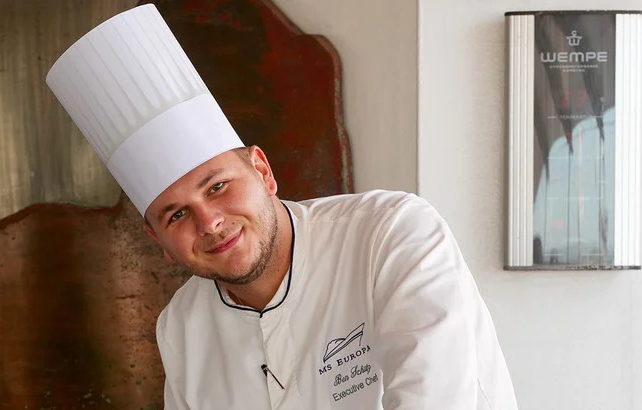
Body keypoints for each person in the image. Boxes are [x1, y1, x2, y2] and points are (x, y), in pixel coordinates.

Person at [46, 4, 518, 409]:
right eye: (176, 215)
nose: (210, 222)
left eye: (217, 186)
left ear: (262, 170)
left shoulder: (391, 233)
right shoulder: (182, 327)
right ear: (160, 242)